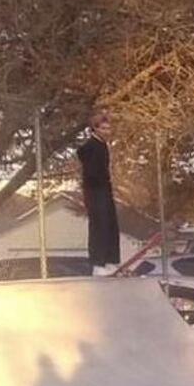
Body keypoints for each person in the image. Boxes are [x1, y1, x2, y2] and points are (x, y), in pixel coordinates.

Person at [75, 111, 120, 276]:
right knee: (99, 224)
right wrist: (96, 181)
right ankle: (97, 263)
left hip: (104, 189)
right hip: (95, 190)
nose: (107, 131)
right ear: (95, 129)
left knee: (110, 223)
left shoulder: (103, 145)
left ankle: (110, 260)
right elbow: (83, 154)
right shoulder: (92, 146)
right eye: (103, 128)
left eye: (109, 128)